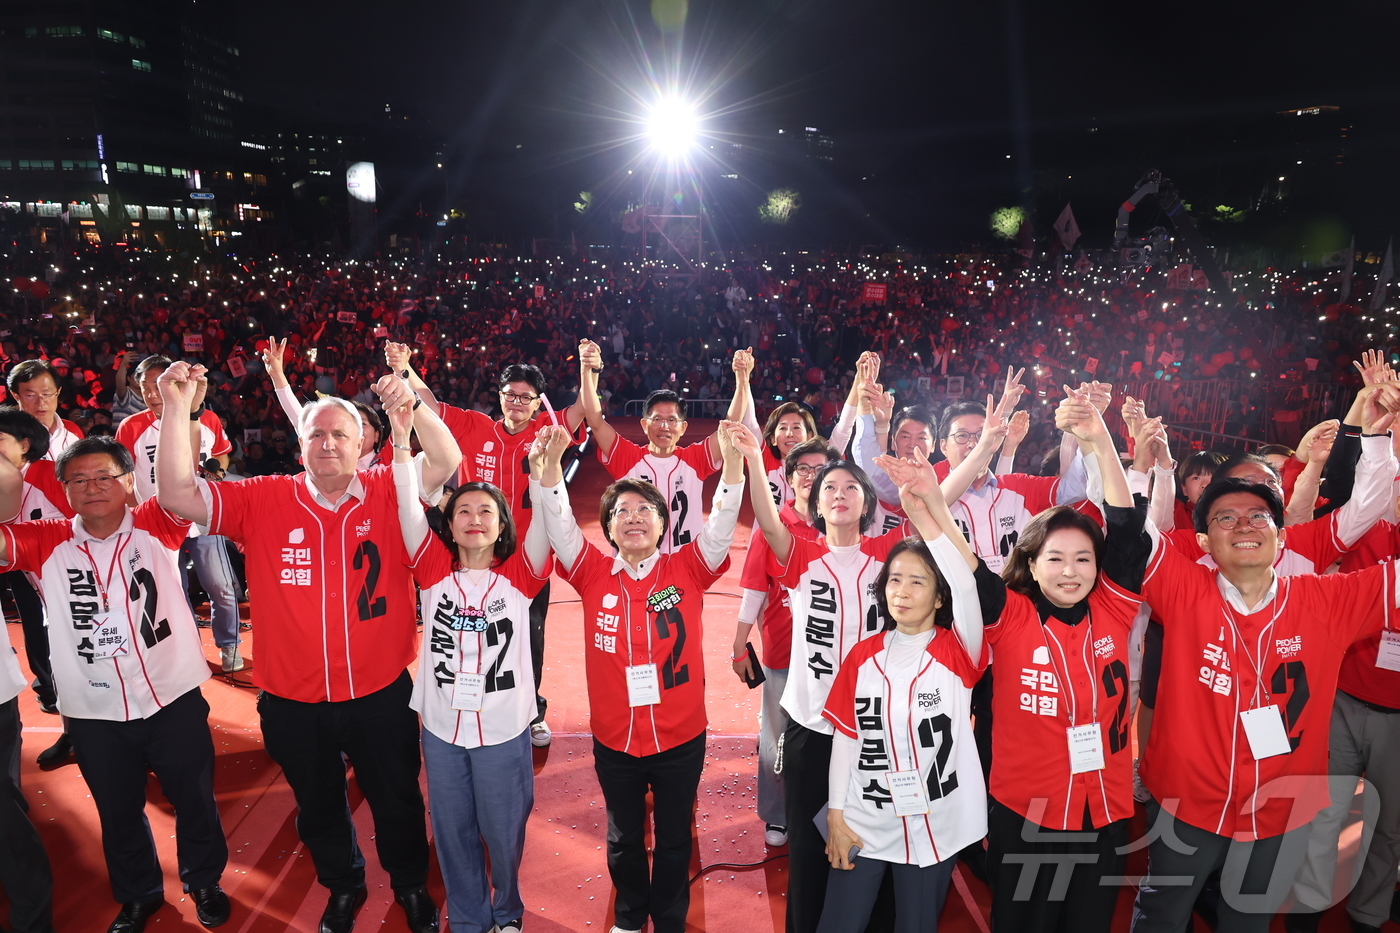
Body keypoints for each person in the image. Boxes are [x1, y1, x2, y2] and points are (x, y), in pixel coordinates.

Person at [154, 361, 459, 933]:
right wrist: (177, 407)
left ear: (361, 444)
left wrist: (412, 405)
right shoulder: (264, 497)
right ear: (299, 445)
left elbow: (445, 460)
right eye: (316, 434)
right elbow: (175, 492)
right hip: (292, 698)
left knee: (396, 797)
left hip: (379, 691)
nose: (328, 444)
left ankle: (410, 883)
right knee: (317, 805)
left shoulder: (390, 488)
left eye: (340, 434)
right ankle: (343, 885)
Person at [1130, 383, 1400, 933]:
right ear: (1203, 537)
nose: (1245, 524)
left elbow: (1366, 513)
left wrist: (1376, 441)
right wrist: (1134, 462)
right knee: (1164, 911)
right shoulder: (1187, 583)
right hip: (1188, 794)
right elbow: (1129, 534)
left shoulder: (1322, 592)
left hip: (1280, 800)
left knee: (1248, 918)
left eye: (1261, 509)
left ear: (1280, 532)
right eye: (1227, 516)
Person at [0, 436, 229, 933]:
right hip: (92, 708)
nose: (93, 487)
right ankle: (139, 893)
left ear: (128, 481)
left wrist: (179, 407)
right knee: (117, 809)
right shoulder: (46, 539)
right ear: (63, 490)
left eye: (105, 476)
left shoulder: (156, 523)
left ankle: (204, 880)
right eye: (79, 480)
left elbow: (180, 483)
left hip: (172, 695)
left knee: (194, 798)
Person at [534, 418, 745, 933]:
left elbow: (721, 520)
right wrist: (550, 470)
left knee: (674, 838)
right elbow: (560, 523)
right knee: (623, 836)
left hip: (681, 736)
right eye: (621, 512)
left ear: (662, 524)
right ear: (608, 528)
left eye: (645, 510)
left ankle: (669, 917)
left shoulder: (688, 568)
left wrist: (735, 465)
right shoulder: (590, 572)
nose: (633, 518)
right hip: (615, 738)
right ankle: (630, 914)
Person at [978, 391, 1153, 933]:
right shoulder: (1008, 613)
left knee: (1088, 922)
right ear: (1031, 563)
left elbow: (1126, 527)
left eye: (1083, 558)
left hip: (1103, 808)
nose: (1071, 571)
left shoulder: (1114, 608)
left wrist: (1100, 441)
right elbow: (952, 554)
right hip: (1026, 811)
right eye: (1055, 558)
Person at [733, 421, 909, 933]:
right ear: (815, 502)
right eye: (829, 486)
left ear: (868, 503)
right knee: (808, 853)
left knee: (877, 844)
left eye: (852, 486)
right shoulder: (802, 556)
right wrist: (753, 461)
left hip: (875, 729)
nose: (839, 493)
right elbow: (768, 522)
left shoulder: (888, 555)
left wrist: (985, 447)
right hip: (812, 726)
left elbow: (935, 509)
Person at [816, 449, 986, 933]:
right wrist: (836, 814)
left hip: (936, 819)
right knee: (839, 924)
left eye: (917, 581)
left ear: (939, 595)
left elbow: (967, 587)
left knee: (917, 925)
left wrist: (926, 514)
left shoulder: (960, 650)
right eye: (894, 580)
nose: (902, 591)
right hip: (865, 816)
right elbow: (847, 737)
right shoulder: (862, 656)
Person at [393, 406, 550, 933]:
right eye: (463, 510)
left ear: (503, 524)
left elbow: (548, 523)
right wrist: (400, 442)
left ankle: (507, 909)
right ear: (449, 523)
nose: (475, 518)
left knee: (504, 832)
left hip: (504, 729)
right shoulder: (432, 569)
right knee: (452, 829)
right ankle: (467, 917)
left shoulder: (521, 575)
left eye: (487, 510)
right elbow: (407, 506)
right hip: (441, 728)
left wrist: (543, 476)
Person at [391, 341, 586, 749]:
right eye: (510, 394)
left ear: (538, 402)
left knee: (529, 635)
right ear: (499, 396)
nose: (517, 402)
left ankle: (532, 711)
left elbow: (585, 407)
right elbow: (429, 405)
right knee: (464, 630)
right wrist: (405, 369)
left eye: (526, 397)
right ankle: (460, 700)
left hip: (525, 557)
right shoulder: (474, 426)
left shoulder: (547, 432)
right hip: (472, 552)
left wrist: (589, 367)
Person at [730, 437, 838, 848]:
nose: (811, 476)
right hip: (783, 651)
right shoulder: (774, 526)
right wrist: (739, 645)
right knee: (776, 734)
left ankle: (827, 810)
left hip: (832, 655)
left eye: (819, 469)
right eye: (803, 469)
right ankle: (777, 815)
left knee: (831, 735)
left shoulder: (843, 525)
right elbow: (754, 590)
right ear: (789, 478)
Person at [115, 356, 243, 673]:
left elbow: (221, 456)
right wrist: (134, 515)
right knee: (173, 591)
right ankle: (189, 648)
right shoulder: (131, 427)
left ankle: (229, 645)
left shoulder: (205, 417)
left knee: (221, 586)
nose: (152, 394)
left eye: (158, 386)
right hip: (156, 523)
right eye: (145, 388)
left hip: (203, 515)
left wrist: (217, 474)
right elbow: (124, 476)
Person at [578, 339, 748, 553]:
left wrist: (743, 379)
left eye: (672, 420)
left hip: (683, 563)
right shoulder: (627, 457)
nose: (664, 426)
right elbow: (595, 420)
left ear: (683, 428)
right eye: (657, 419)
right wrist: (589, 370)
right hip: (636, 562)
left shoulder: (695, 459)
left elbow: (730, 425)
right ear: (644, 424)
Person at [7, 359, 83, 460]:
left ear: (58, 392)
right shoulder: (7, 436)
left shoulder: (72, 431)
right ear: (16, 396)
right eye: (30, 395)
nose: (41, 402)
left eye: (46, 394)